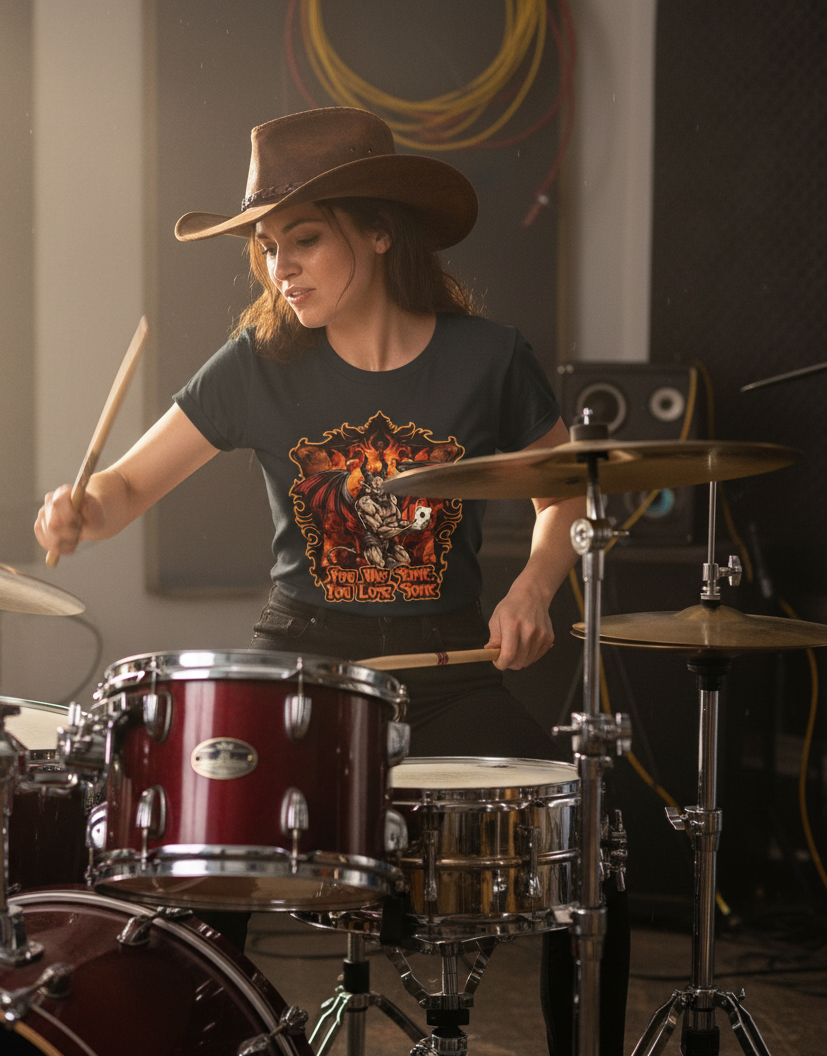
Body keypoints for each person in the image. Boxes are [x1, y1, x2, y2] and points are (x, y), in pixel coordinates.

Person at [35, 106, 626, 1055]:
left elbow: (568, 495)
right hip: (298, 675)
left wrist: (534, 588)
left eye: (302, 240)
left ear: (380, 229)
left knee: (589, 842)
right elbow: (123, 490)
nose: (280, 269)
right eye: (268, 248)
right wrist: (79, 509)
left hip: (447, 673)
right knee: (197, 860)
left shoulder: (489, 358)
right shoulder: (258, 366)